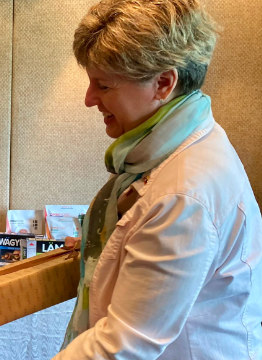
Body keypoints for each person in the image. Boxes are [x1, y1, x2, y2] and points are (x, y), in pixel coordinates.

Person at [55, 0, 262, 359]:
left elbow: (124, 344)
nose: (89, 100)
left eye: (103, 86)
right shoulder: (178, 147)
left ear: (163, 83)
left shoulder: (184, 195)